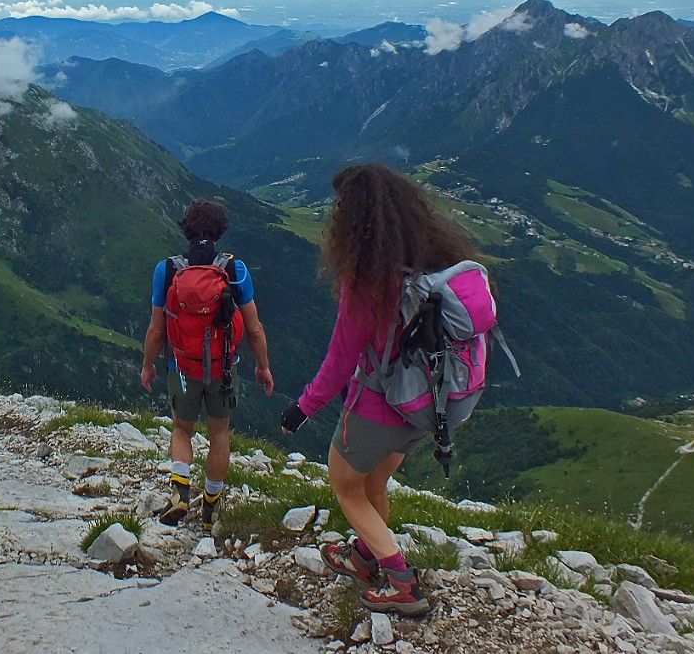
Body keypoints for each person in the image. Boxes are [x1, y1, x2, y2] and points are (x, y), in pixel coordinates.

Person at [280, 162, 480, 616]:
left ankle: (401, 582)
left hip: (376, 407)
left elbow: (338, 364)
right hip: (424, 407)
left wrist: (302, 408)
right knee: (374, 484)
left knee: (347, 488)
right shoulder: (434, 264)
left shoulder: (368, 283)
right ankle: (362, 555)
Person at [141, 198, 274, 531]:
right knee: (219, 434)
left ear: (186, 229)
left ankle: (180, 490)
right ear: (219, 231)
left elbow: (157, 328)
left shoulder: (167, 270)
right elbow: (254, 327)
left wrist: (148, 365)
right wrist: (263, 366)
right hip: (224, 369)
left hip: (182, 368)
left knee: (181, 429)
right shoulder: (234, 270)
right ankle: (212, 505)